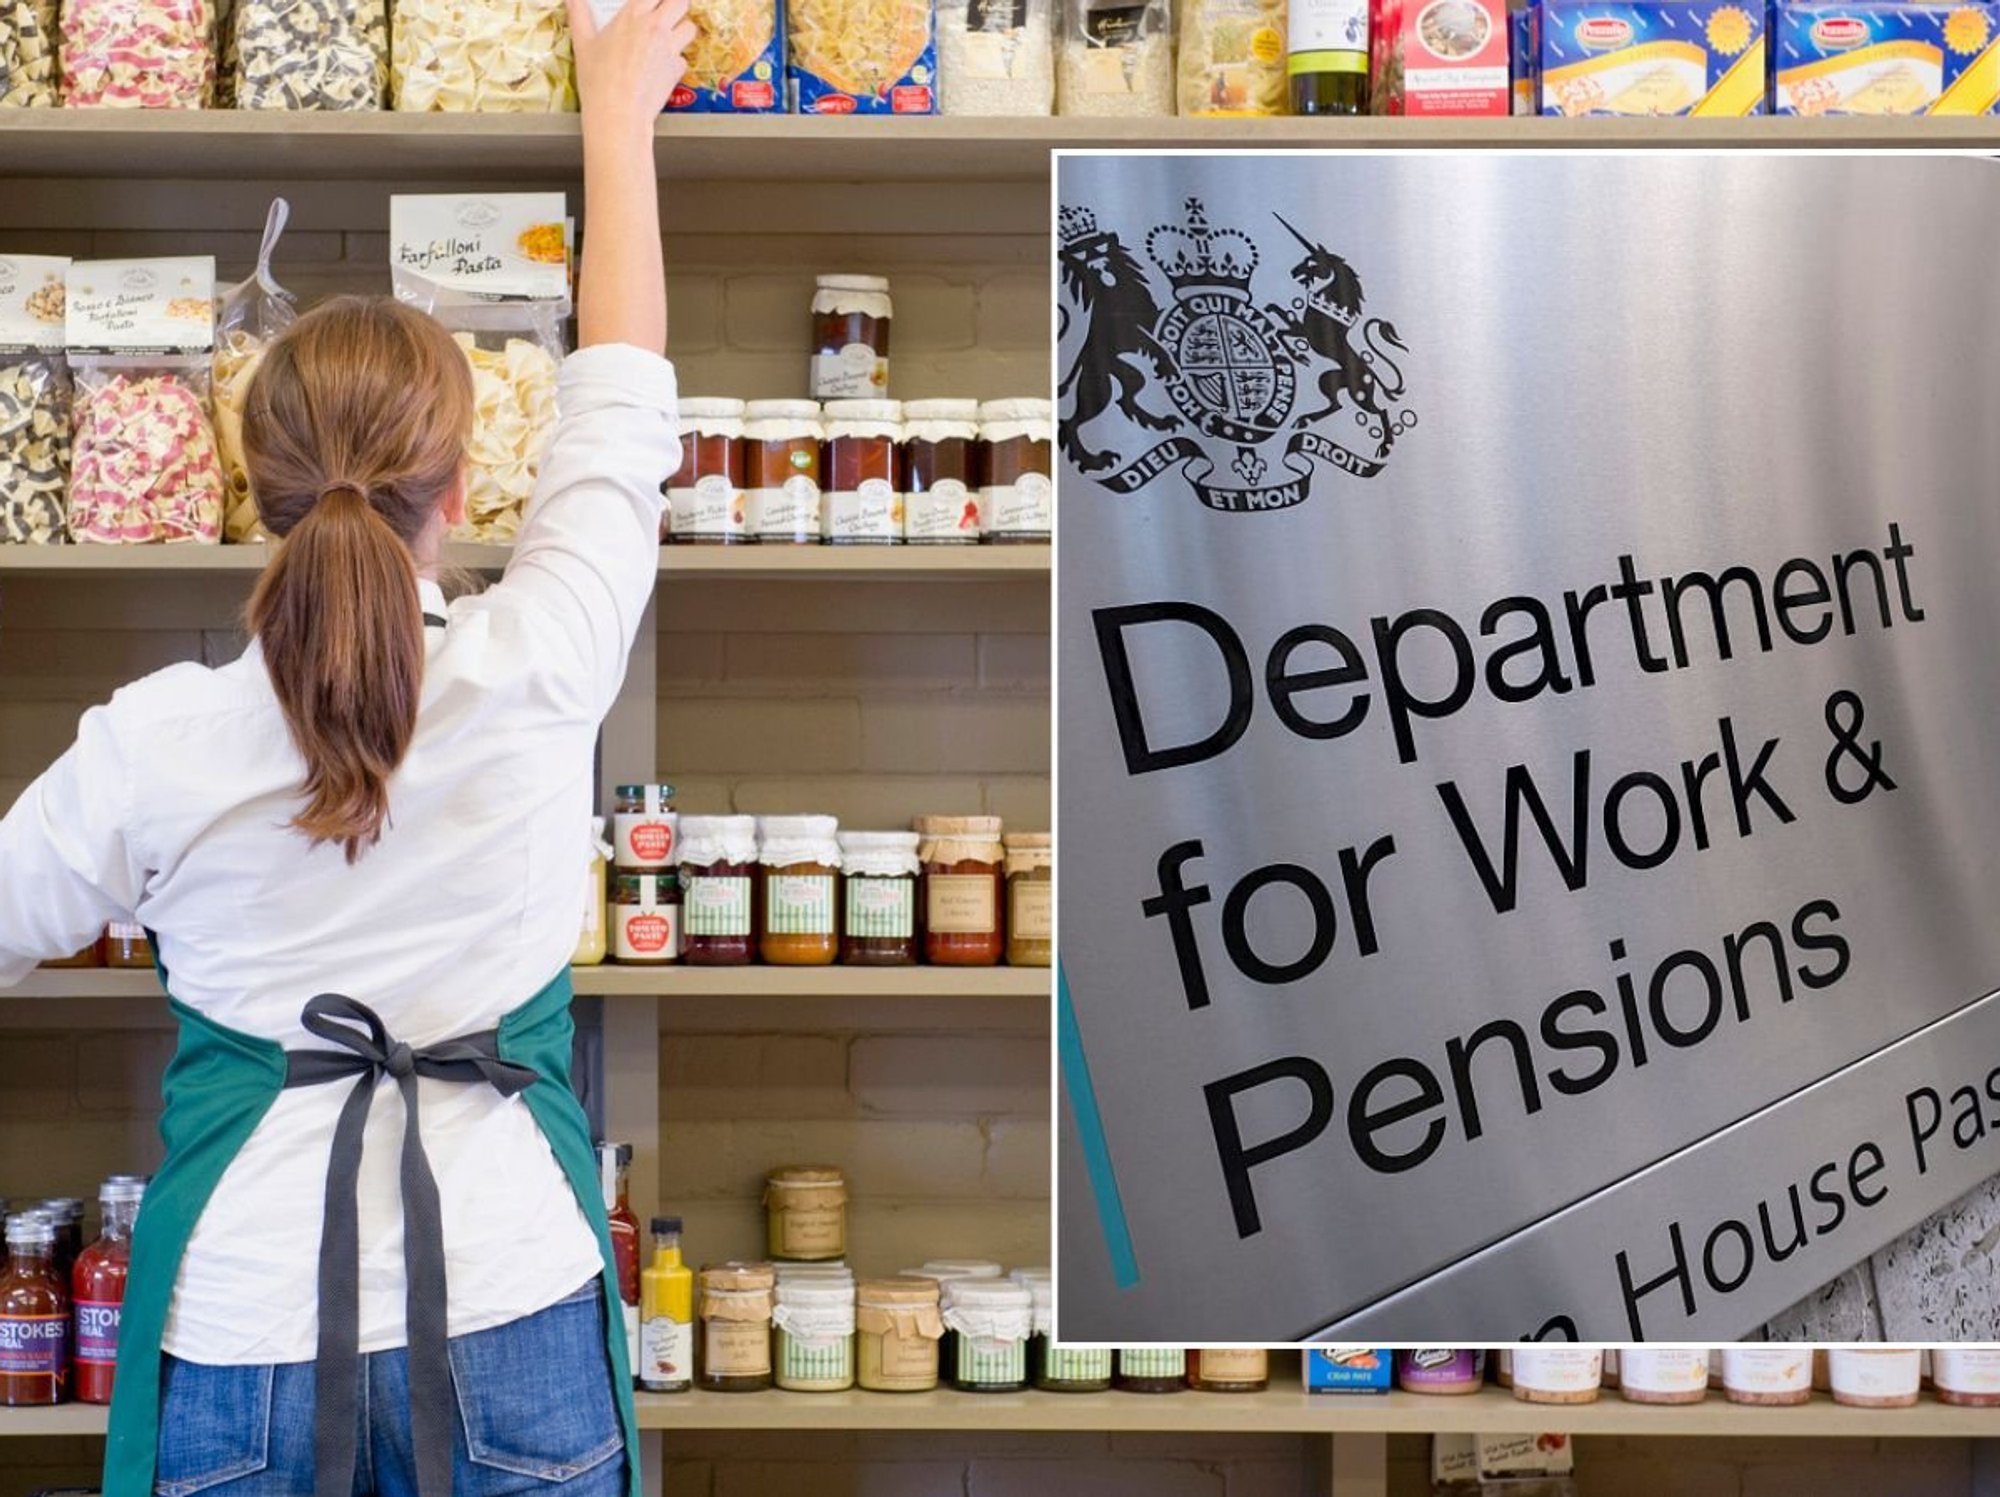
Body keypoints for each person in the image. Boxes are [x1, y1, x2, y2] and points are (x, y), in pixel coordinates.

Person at [0, 0, 695, 1490]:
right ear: (462, 484)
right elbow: (621, 399)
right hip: (511, 1300)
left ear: (249, 482)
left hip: (242, 1317)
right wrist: (616, 114)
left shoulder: (155, 740)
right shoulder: (541, 658)